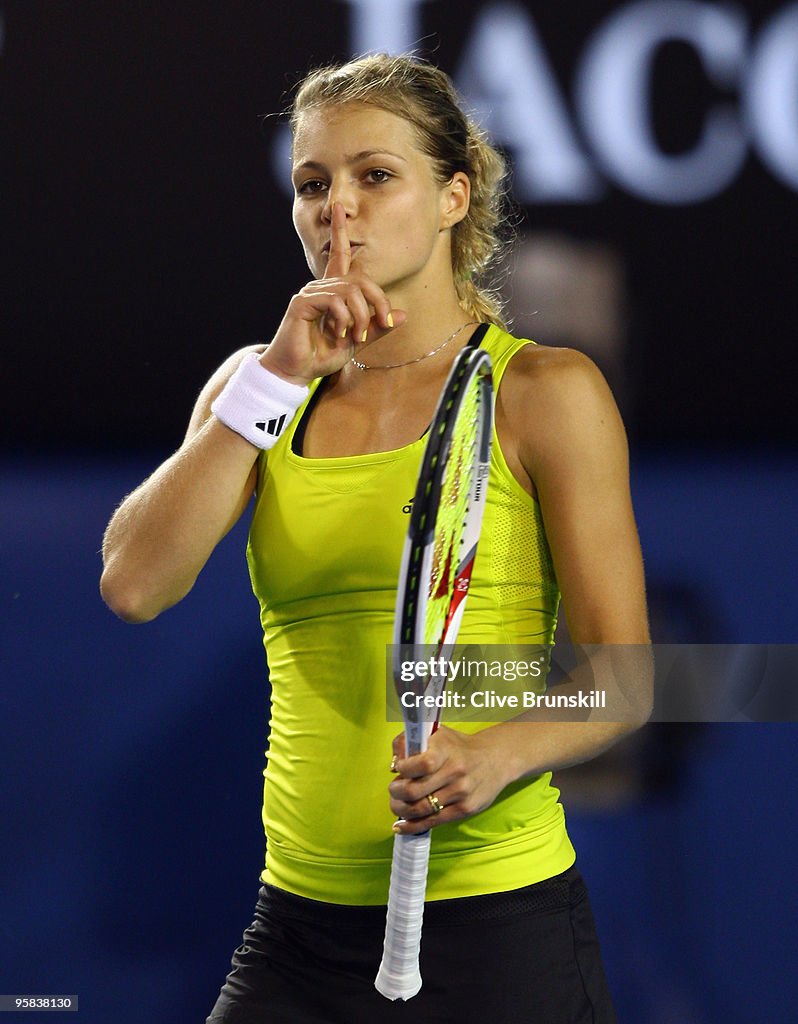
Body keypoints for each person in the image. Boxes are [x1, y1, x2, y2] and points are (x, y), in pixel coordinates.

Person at [100, 54, 650, 1024]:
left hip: (501, 930)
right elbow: (135, 581)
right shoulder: (258, 390)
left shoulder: (547, 394)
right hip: (296, 935)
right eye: (312, 183)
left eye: (374, 175)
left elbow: (625, 676)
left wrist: (498, 752)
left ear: (452, 197)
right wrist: (274, 375)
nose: (335, 209)